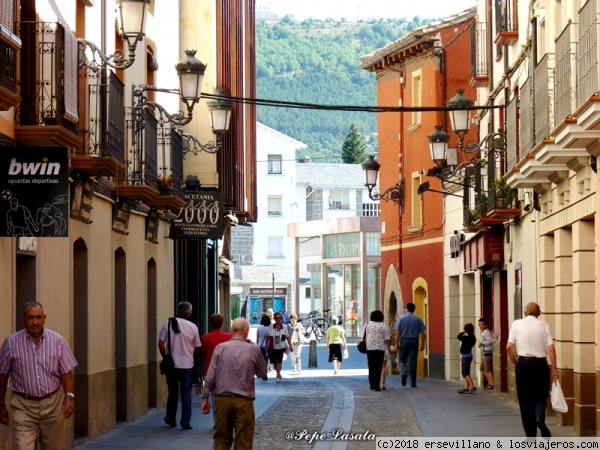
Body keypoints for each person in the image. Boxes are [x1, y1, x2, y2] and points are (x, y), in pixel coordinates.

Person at [0, 301, 78, 450]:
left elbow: (67, 372)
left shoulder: (58, 341)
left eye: (38, 317)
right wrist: (1, 405)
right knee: (23, 447)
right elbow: (2, 376)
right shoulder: (11, 343)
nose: (35, 322)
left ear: (44, 318)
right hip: (23, 406)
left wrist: (69, 397)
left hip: (53, 405)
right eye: (30, 318)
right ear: (23, 319)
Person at [201, 318, 267, 449]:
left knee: (221, 439)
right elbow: (263, 373)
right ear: (247, 332)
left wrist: (205, 397)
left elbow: (210, 375)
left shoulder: (220, 348)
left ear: (231, 331)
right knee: (244, 440)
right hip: (244, 401)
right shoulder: (253, 350)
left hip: (222, 400)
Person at [507, 302, 558, 438]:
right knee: (541, 394)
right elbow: (551, 349)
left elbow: (508, 347)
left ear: (524, 312)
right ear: (539, 313)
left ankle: (530, 435)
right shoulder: (544, 325)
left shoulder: (516, 324)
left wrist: (515, 362)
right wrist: (554, 369)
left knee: (525, 398)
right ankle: (540, 417)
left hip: (523, 364)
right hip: (540, 364)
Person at [157, 301, 201, 430]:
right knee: (186, 394)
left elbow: (160, 343)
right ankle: (185, 421)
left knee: (173, 393)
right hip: (187, 365)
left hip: (172, 365)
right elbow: (197, 346)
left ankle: (171, 418)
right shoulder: (193, 327)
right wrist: (189, 353)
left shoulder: (168, 323)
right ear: (188, 313)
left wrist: (165, 356)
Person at [201, 314, 232, 423]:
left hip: (210, 368)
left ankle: (217, 420)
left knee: (214, 396)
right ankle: (226, 418)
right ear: (221, 323)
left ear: (210, 323)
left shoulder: (205, 337)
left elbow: (203, 352)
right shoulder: (228, 337)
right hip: (225, 369)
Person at [395, 302, 426, 388]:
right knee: (413, 361)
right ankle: (413, 383)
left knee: (401, 359)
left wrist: (396, 343)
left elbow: (397, 332)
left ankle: (404, 371)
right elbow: (423, 333)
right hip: (415, 341)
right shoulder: (418, 319)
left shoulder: (401, 318)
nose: (404, 309)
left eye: (405, 307)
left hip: (404, 340)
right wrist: (423, 344)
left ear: (407, 309)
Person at [365, 310, 391, 391]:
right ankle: (377, 385)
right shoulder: (384, 326)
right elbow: (387, 339)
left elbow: (365, 334)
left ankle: (371, 382)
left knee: (371, 365)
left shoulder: (367, 324)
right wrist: (389, 348)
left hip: (370, 347)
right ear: (381, 317)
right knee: (378, 366)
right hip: (380, 348)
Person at [266, 312, 292, 382]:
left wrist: (290, 345)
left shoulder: (284, 327)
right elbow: (267, 336)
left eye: (280, 318)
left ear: (281, 319)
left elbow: (287, 336)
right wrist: (266, 345)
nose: (278, 319)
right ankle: (278, 372)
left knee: (279, 361)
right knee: (274, 362)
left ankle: (278, 374)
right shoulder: (271, 326)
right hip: (272, 347)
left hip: (281, 347)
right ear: (274, 319)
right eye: (276, 318)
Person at [457, 323, 477, 394]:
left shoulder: (466, 337)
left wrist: (464, 332)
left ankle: (472, 386)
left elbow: (459, 336)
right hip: (469, 355)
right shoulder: (473, 337)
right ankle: (466, 388)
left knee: (464, 372)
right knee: (467, 372)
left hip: (465, 356)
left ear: (466, 330)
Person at [478, 317, 494, 389]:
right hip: (485, 352)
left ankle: (491, 384)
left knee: (487, 369)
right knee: (482, 368)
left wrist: (482, 343)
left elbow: (490, 341)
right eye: (479, 324)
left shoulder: (486, 332)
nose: (480, 326)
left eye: (482, 324)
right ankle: (489, 382)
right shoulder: (483, 332)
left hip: (488, 352)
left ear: (486, 325)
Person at [256, 315, 271, 379]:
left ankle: (261, 372)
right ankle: (265, 374)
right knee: (266, 360)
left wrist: (257, 345)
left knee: (260, 360)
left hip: (260, 345)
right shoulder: (270, 328)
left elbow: (257, 338)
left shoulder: (259, 327)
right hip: (267, 346)